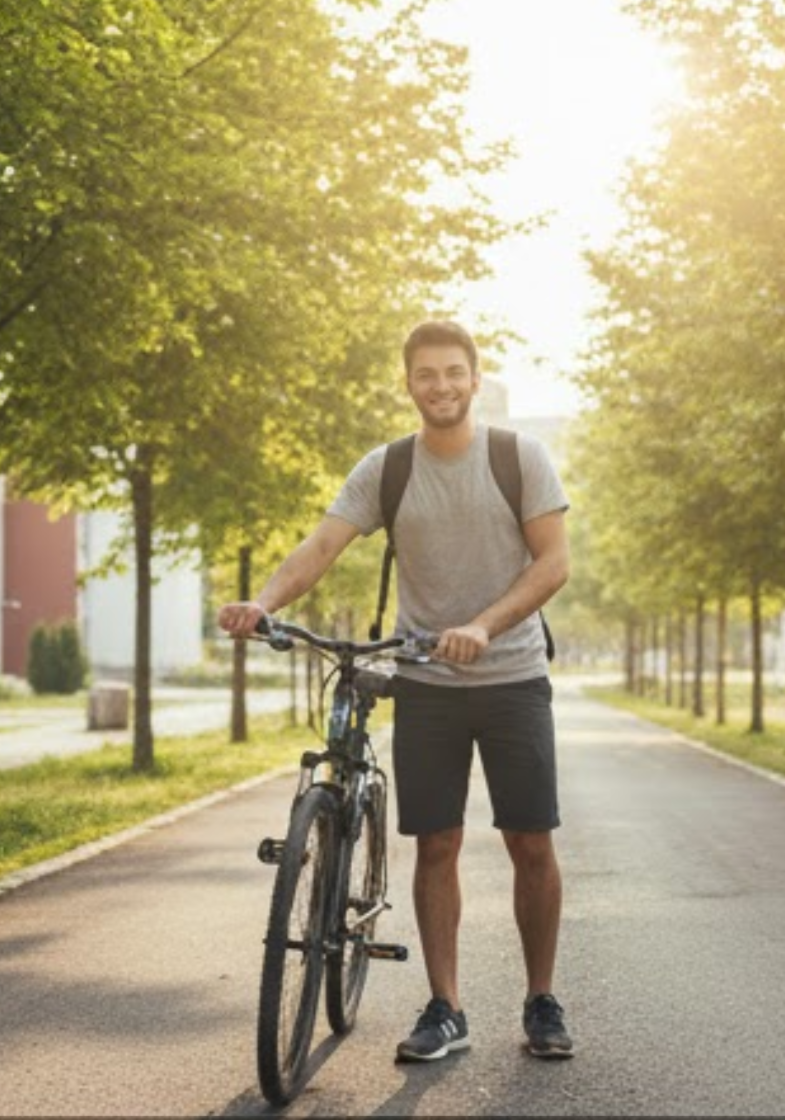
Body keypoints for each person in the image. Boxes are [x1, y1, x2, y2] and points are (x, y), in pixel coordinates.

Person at [217, 319, 573, 1062]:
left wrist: (481, 624)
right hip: (427, 682)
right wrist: (265, 604)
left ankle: (541, 1000)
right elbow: (321, 546)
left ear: (475, 380)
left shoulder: (518, 458)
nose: (440, 386)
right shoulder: (387, 469)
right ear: (408, 385)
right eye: (425, 375)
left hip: (511, 676)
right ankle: (446, 1008)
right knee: (435, 843)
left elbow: (552, 565)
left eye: (453, 373)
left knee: (529, 842)